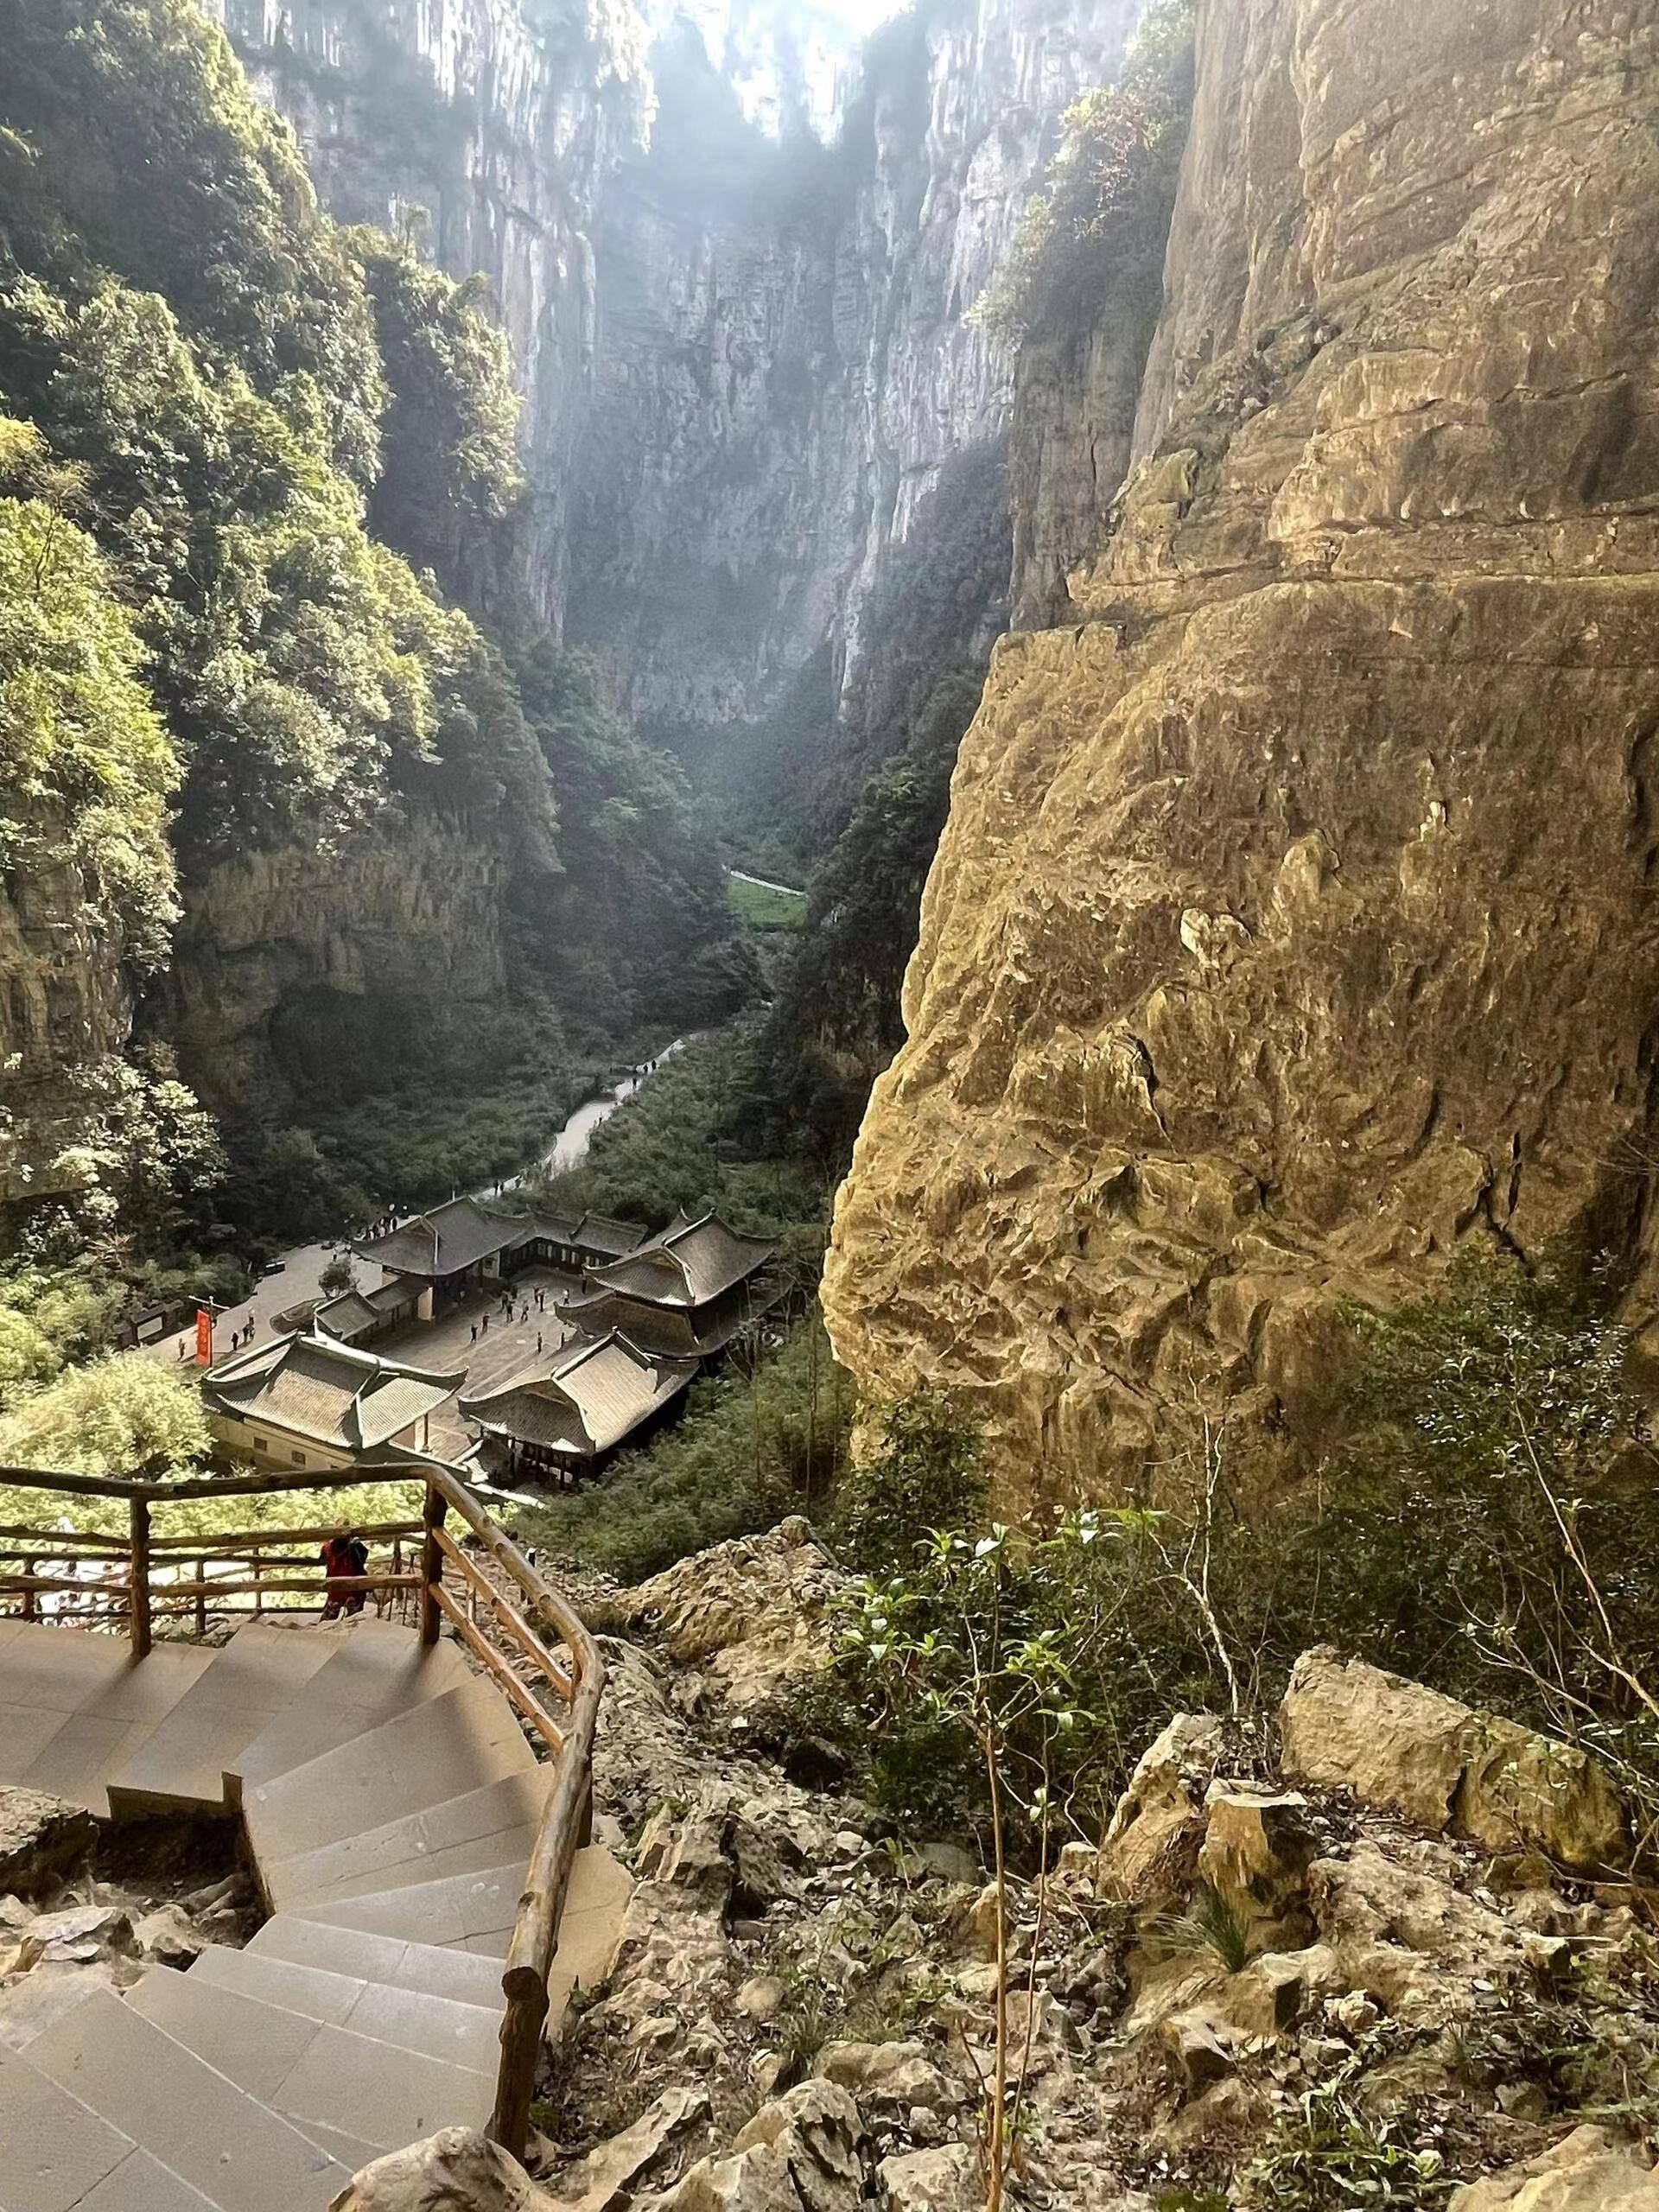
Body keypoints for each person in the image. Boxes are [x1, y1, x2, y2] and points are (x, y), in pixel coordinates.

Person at [320, 1529, 370, 1619]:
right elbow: (362, 1559)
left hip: (335, 1585)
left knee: (331, 1612)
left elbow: (322, 1560)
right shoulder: (355, 1546)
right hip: (353, 1585)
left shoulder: (327, 1548)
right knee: (354, 1616)